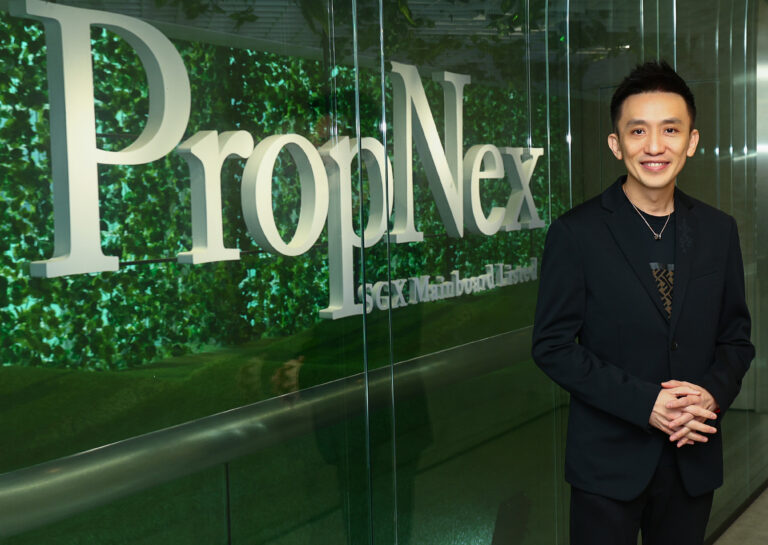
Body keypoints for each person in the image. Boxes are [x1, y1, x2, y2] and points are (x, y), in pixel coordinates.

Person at [531, 60, 755, 545]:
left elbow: (736, 338)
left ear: (692, 141)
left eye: (670, 130)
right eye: (638, 131)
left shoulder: (719, 231)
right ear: (616, 144)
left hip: (691, 459)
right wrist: (645, 402)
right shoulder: (577, 233)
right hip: (606, 467)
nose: (655, 147)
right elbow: (552, 345)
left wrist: (712, 395)